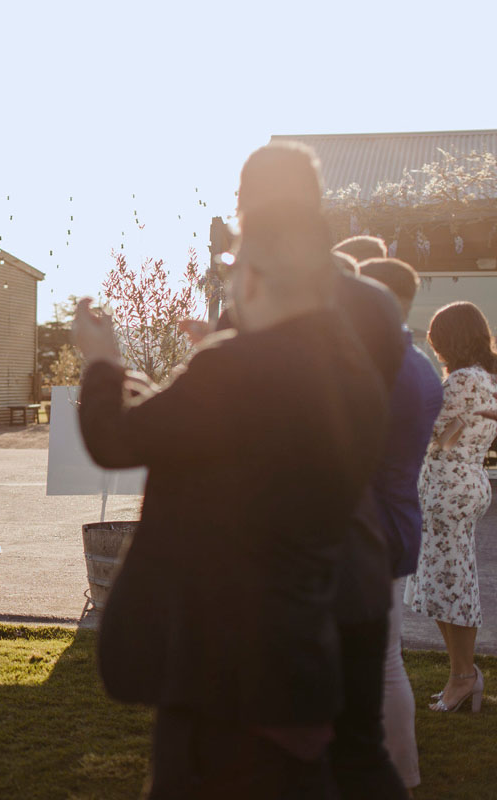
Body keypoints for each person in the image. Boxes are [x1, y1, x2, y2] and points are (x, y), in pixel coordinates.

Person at [76, 203, 389, 797]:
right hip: (298, 646)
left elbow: (114, 441)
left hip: (221, 657)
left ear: (253, 278)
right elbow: (225, 441)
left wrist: (102, 361)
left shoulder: (234, 368)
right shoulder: (349, 369)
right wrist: (180, 386)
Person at [238, 142, 407, 800]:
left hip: (278, 573)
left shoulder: (257, 302)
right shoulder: (377, 304)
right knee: (361, 753)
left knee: (272, 759)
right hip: (357, 556)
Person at [356, 257, 444, 789]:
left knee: (382, 661)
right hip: (396, 519)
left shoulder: (385, 370)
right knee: (385, 657)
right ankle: (400, 774)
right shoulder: (418, 365)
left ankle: (394, 774)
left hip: (374, 527)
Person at [404, 300, 497, 714]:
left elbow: (429, 435)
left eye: (437, 339)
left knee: (452, 584)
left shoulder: (462, 380)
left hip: (449, 488)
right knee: (446, 582)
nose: (434, 346)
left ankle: (464, 677)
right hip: (462, 483)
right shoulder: (486, 377)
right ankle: (461, 675)